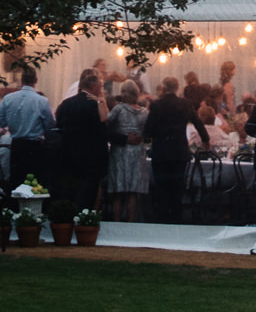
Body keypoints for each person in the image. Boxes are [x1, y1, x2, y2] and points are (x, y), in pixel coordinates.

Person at [51, 69, 109, 217]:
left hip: (69, 154)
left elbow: (58, 126)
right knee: (87, 194)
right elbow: (103, 127)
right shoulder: (94, 105)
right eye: (100, 87)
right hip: (91, 157)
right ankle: (84, 221)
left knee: (70, 190)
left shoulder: (66, 104)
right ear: (93, 87)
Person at [0, 66, 55, 192]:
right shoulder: (41, 101)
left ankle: (14, 209)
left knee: (17, 180)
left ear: (22, 80)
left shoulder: (9, 98)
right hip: (35, 145)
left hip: (17, 144)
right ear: (35, 80)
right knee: (34, 180)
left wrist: (9, 123)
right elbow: (50, 124)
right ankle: (32, 209)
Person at [142, 76, 197, 222]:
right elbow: (197, 121)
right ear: (177, 88)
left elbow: (149, 129)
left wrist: (150, 137)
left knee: (162, 190)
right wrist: (205, 139)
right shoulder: (185, 104)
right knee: (177, 189)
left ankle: (163, 219)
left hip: (161, 152)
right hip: (179, 151)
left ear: (164, 88)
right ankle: (176, 219)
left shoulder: (157, 105)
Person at [105, 84, 149, 221]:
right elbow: (148, 134)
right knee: (133, 192)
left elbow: (106, 123)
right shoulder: (144, 112)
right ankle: (131, 223)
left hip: (120, 152)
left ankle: (116, 222)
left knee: (118, 191)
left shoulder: (119, 109)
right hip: (137, 152)